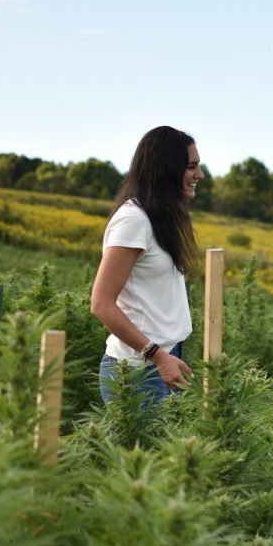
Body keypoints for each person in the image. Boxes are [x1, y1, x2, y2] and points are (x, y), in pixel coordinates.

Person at [91, 126, 203, 405]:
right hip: (138, 371)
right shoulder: (133, 220)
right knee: (140, 450)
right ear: (166, 169)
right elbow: (101, 303)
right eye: (191, 166)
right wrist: (156, 355)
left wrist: (167, 358)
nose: (199, 175)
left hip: (163, 361)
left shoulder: (159, 219)